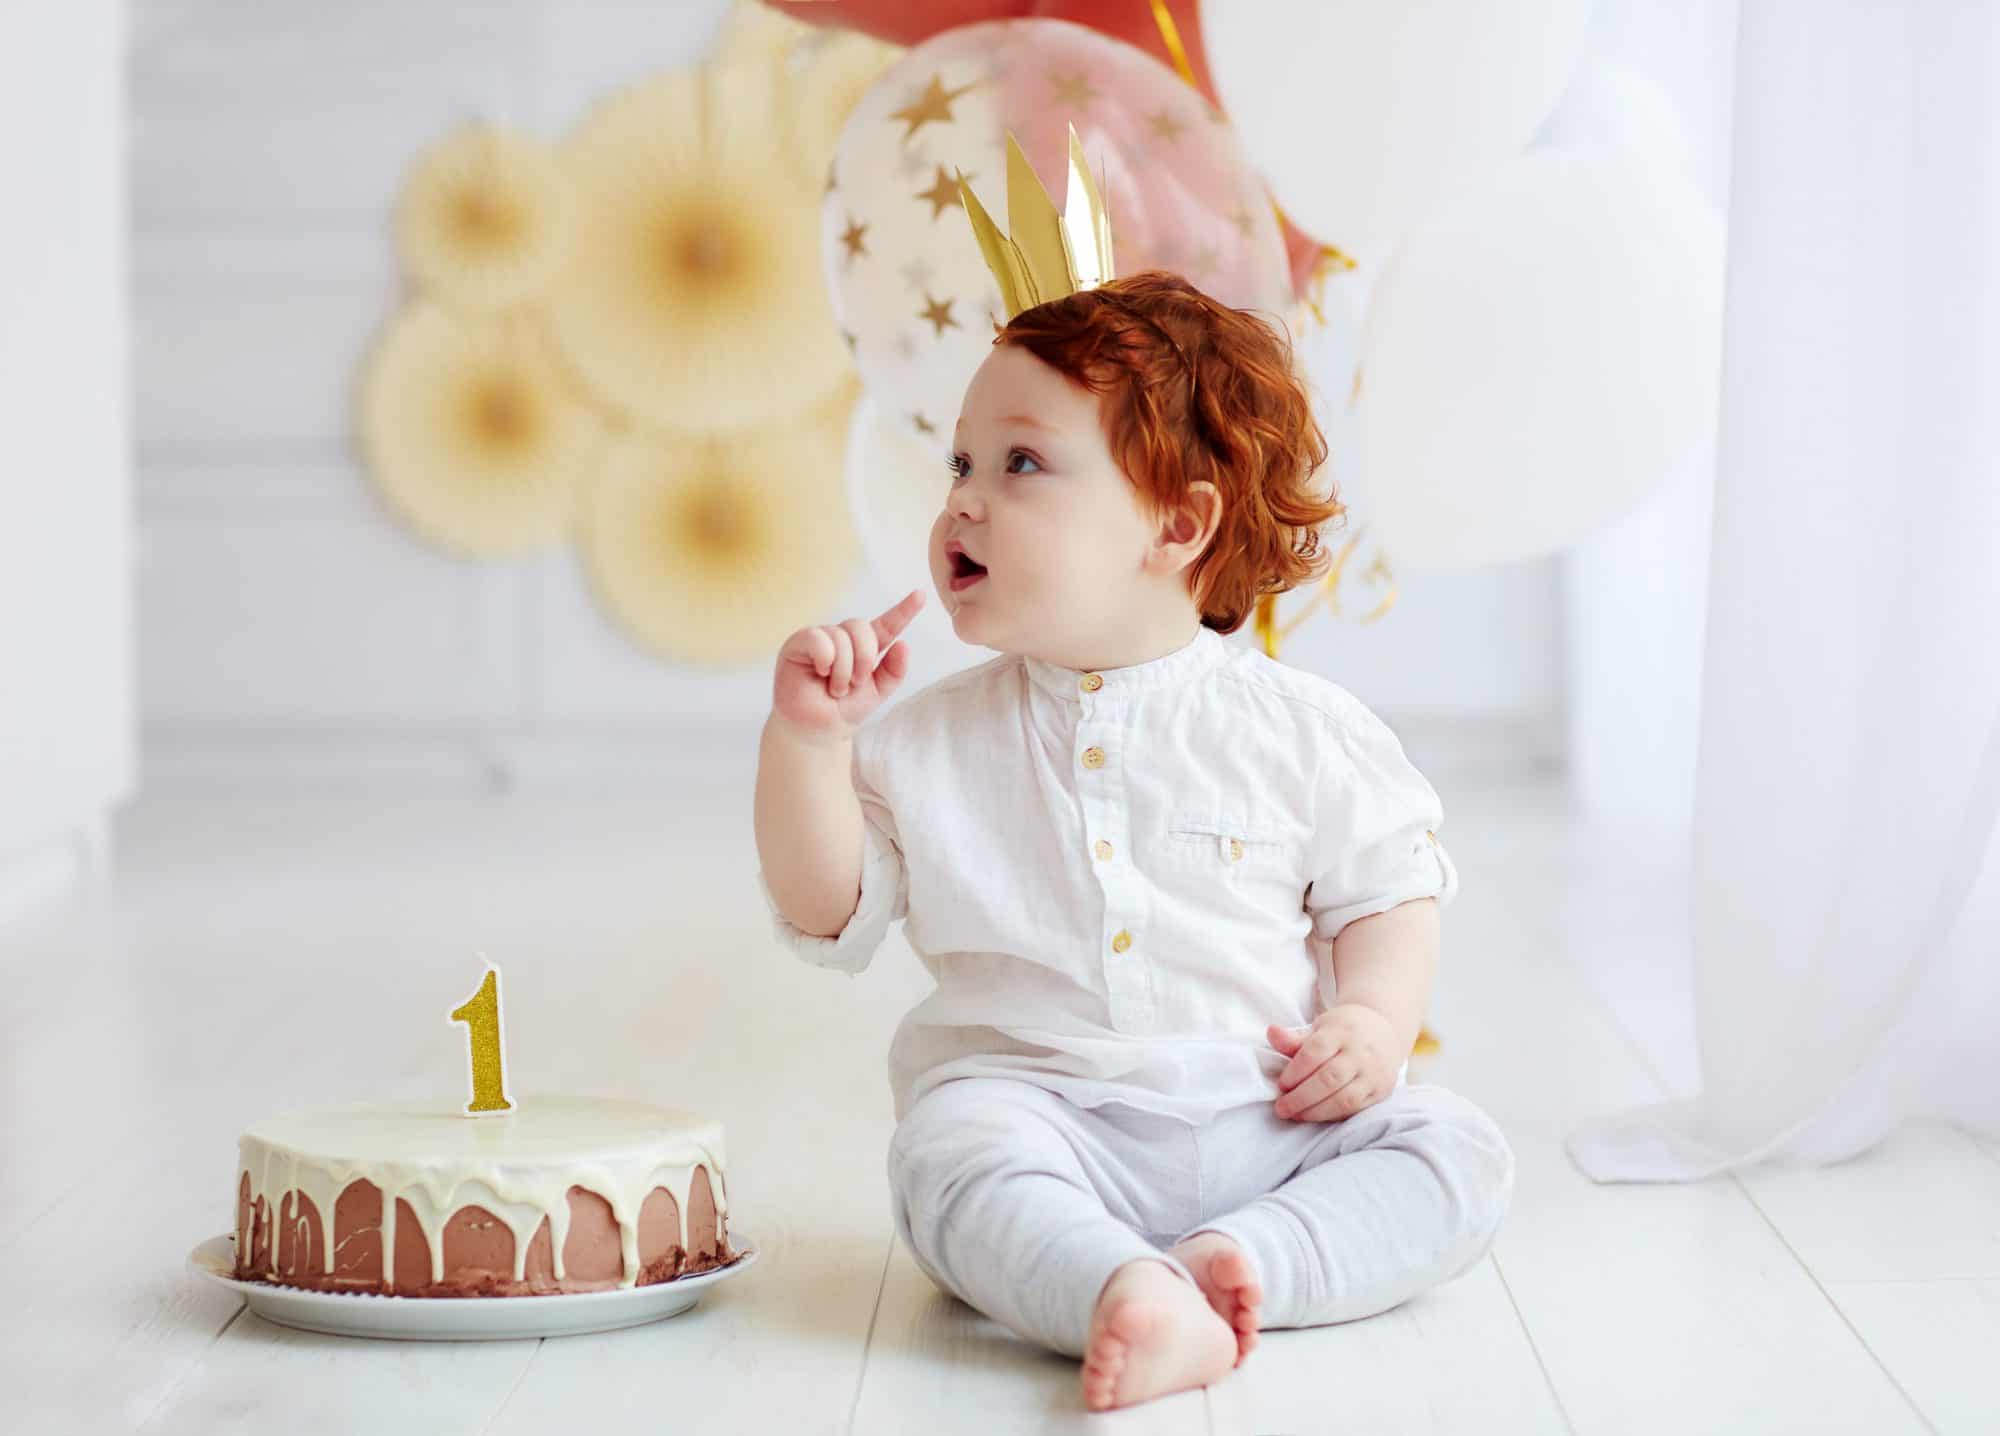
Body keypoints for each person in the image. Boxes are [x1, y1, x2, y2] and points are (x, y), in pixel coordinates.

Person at [753, 269, 1514, 1412]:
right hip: (1043, 1118)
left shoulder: (1297, 729)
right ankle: (1118, 1286)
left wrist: (1370, 1018)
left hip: (1269, 1117)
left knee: (1455, 1149)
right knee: (945, 1154)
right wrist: (808, 745)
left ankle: (1249, 1262)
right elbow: (828, 910)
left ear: (1176, 521)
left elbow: (1387, 891)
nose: (962, 499)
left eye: (1019, 463)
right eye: (960, 462)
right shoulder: (922, 742)